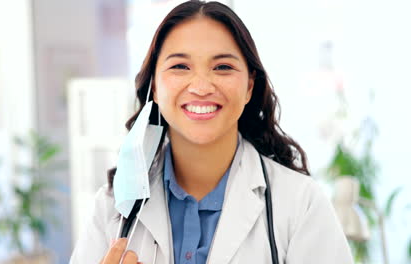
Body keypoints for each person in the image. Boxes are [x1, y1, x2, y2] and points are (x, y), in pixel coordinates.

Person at [70, 1, 353, 263]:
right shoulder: (111, 210)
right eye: (180, 66)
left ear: (249, 87)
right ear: (154, 86)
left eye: (223, 67)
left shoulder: (300, 205)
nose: (202, 86)